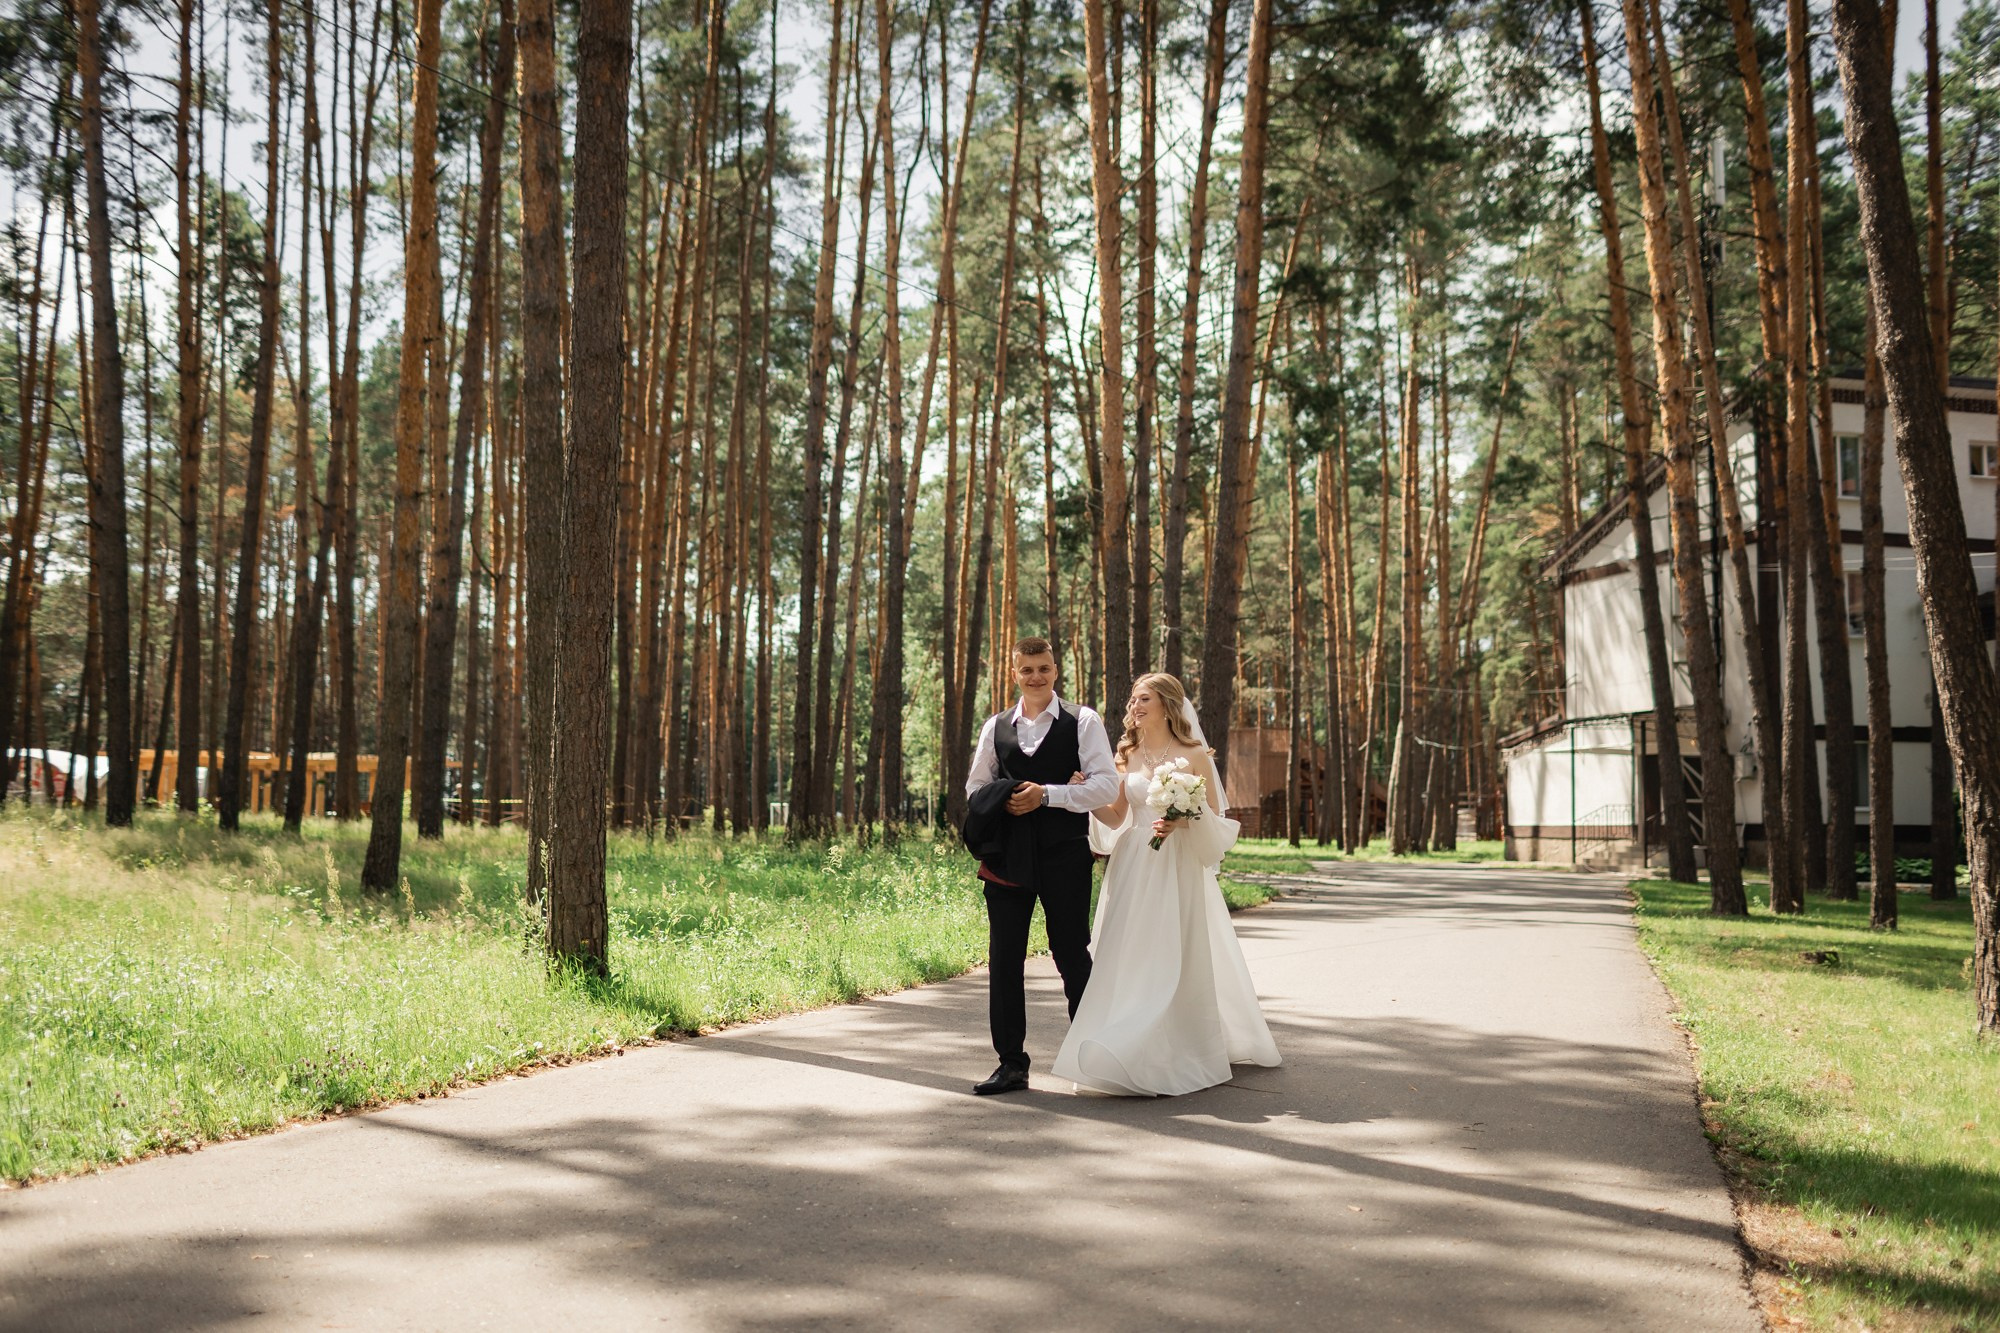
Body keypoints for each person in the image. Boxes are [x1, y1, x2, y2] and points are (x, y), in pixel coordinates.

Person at [1051, 672, 1281, 1096]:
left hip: (1176, 865)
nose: (1134, 708)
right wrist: (1082, 796)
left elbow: (1214, 815)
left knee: (1173, 950)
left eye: (1144, 700)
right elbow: (1117, 817)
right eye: (1133, 700)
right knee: (1130, 952)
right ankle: (1124, 1039)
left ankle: (1173, 1046)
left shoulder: (1193, 754)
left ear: (1167, 705)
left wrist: (1181, 820)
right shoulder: (1126, 754)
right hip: (1133, 863)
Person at [962, 637, 1120, 1095]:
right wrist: (1005, 797)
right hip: (1006, 857)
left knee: (1071, 954)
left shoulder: (1082, 720)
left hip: (1064, 853)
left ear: (1056, 671)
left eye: (1044, 669)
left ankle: (1091, 1054)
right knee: (1004, 961)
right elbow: (976, 788)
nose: (1036, 677)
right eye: (1027, 669)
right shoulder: (995, 727)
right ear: (1015, 673)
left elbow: (1107, 787)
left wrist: (1048, 795)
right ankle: (1011, 1064)